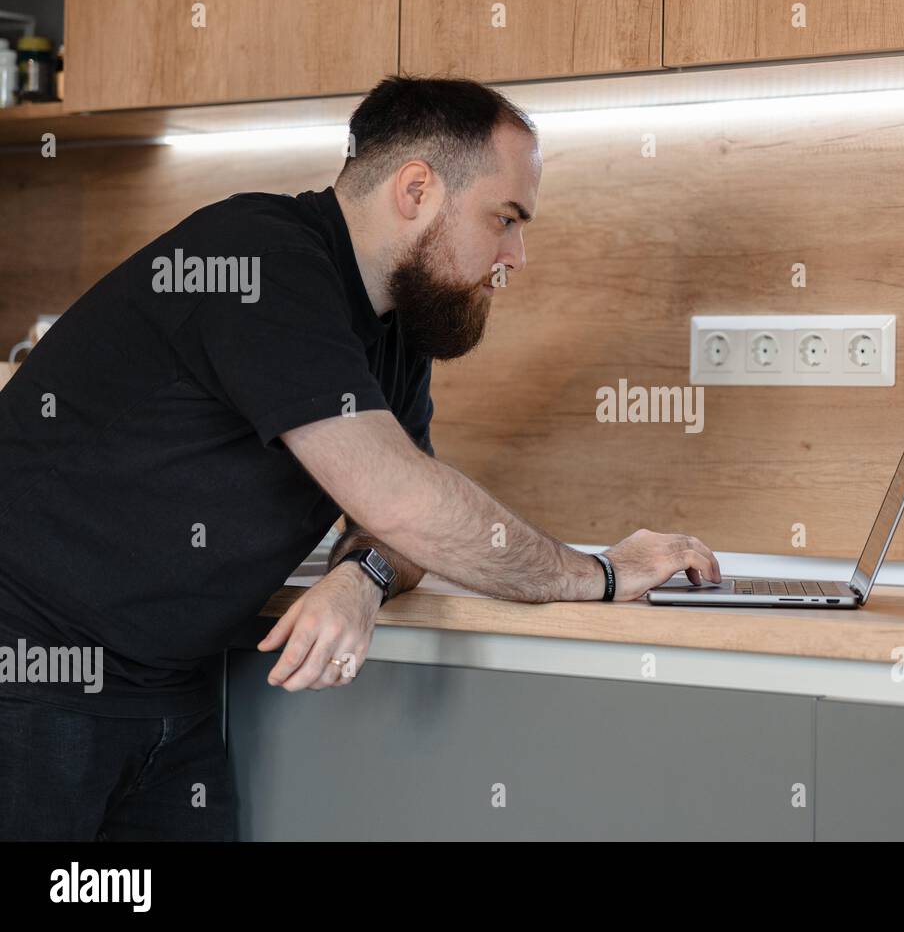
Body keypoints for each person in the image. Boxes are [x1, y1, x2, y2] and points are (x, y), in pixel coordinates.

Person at [0, 75, 721, 841]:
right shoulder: (260, 263)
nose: (517, 255)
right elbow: (406, 501)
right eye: (505, 218)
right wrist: (600, 575)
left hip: (163, 691)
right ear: (417, 189)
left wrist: (361, 579)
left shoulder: (396, 328)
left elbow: (403, 526)